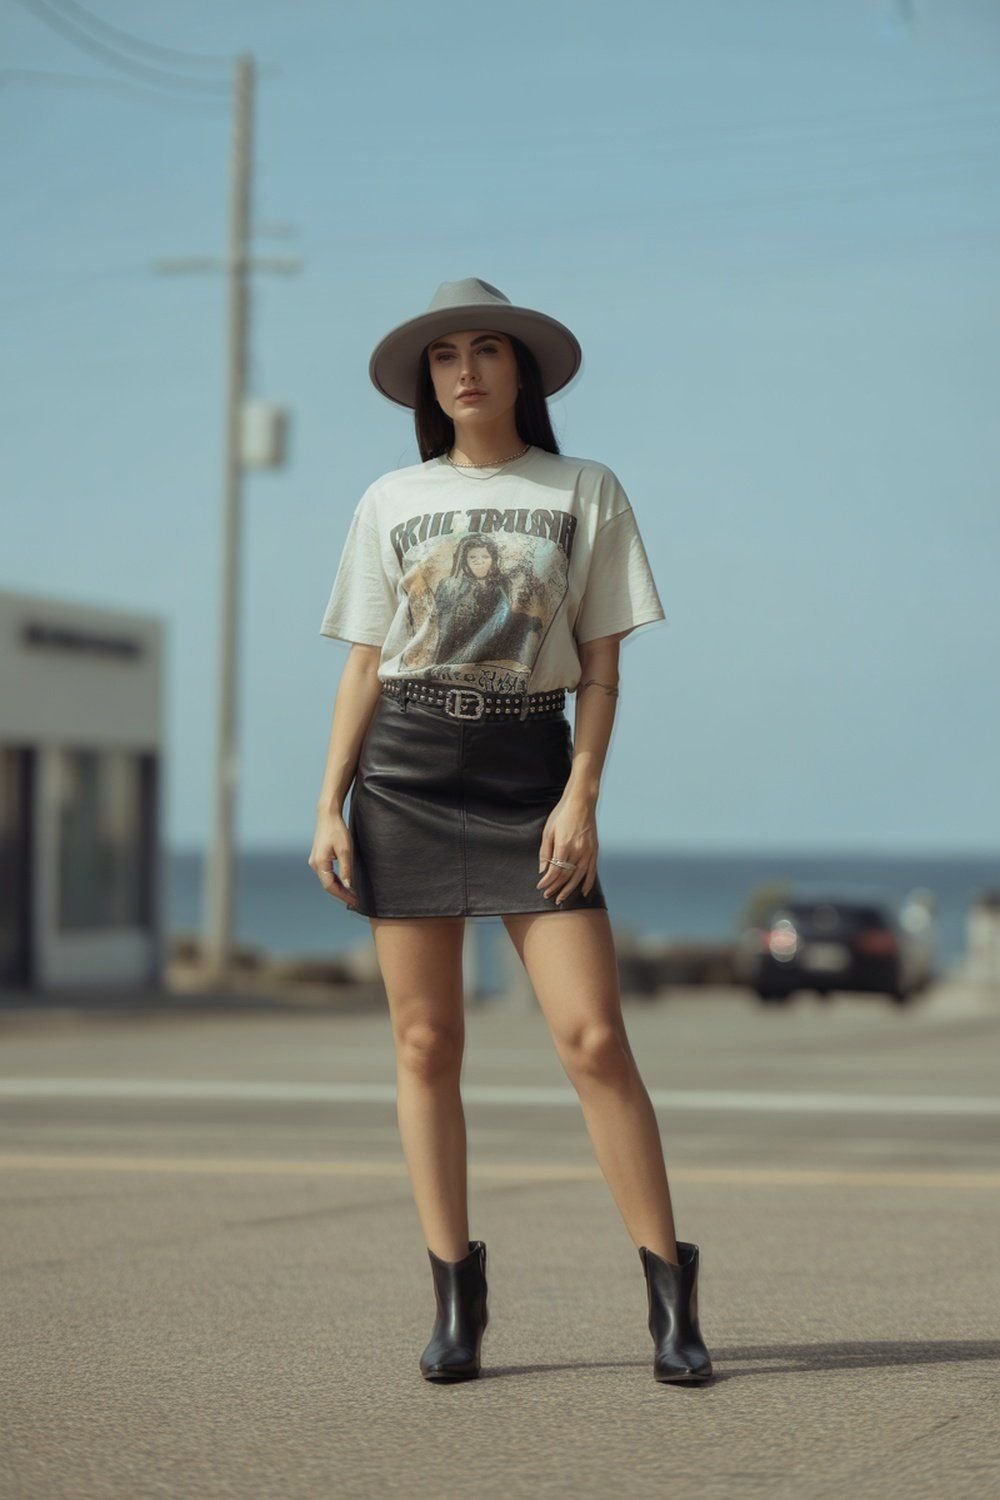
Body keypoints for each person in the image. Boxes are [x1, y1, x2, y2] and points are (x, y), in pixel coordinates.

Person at [309, 277, 714, 1386]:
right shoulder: (390, 497)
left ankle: (669, 1297)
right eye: (446, 357)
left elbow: (600, 669)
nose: (467, 371)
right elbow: (361, 661)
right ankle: (455, 1298)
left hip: (531, 771)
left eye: (488, 350)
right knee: (425, 1044)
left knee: (591, 1039)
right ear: (428, 382)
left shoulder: (585, 488)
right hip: (403, 770)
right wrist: (327, 803)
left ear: (522, 371)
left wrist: (581, 795)